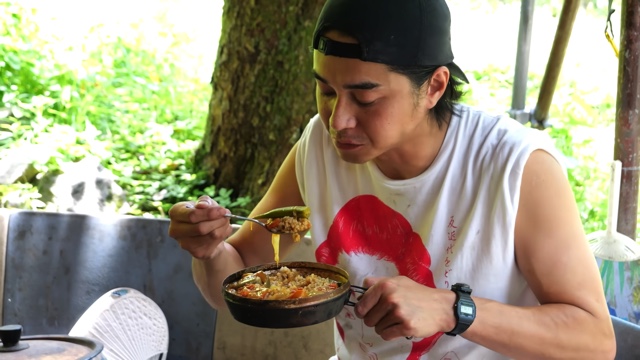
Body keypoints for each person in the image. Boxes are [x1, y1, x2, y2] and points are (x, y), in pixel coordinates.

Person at [168, 0, 616, 358]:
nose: (337, 120)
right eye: (325, 90)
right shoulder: (319, 146)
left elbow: (594, 341)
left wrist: (450, 309)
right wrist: (209, 252)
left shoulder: (514, 166)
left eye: (365, 97)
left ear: (435, 87)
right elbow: (232, 288)